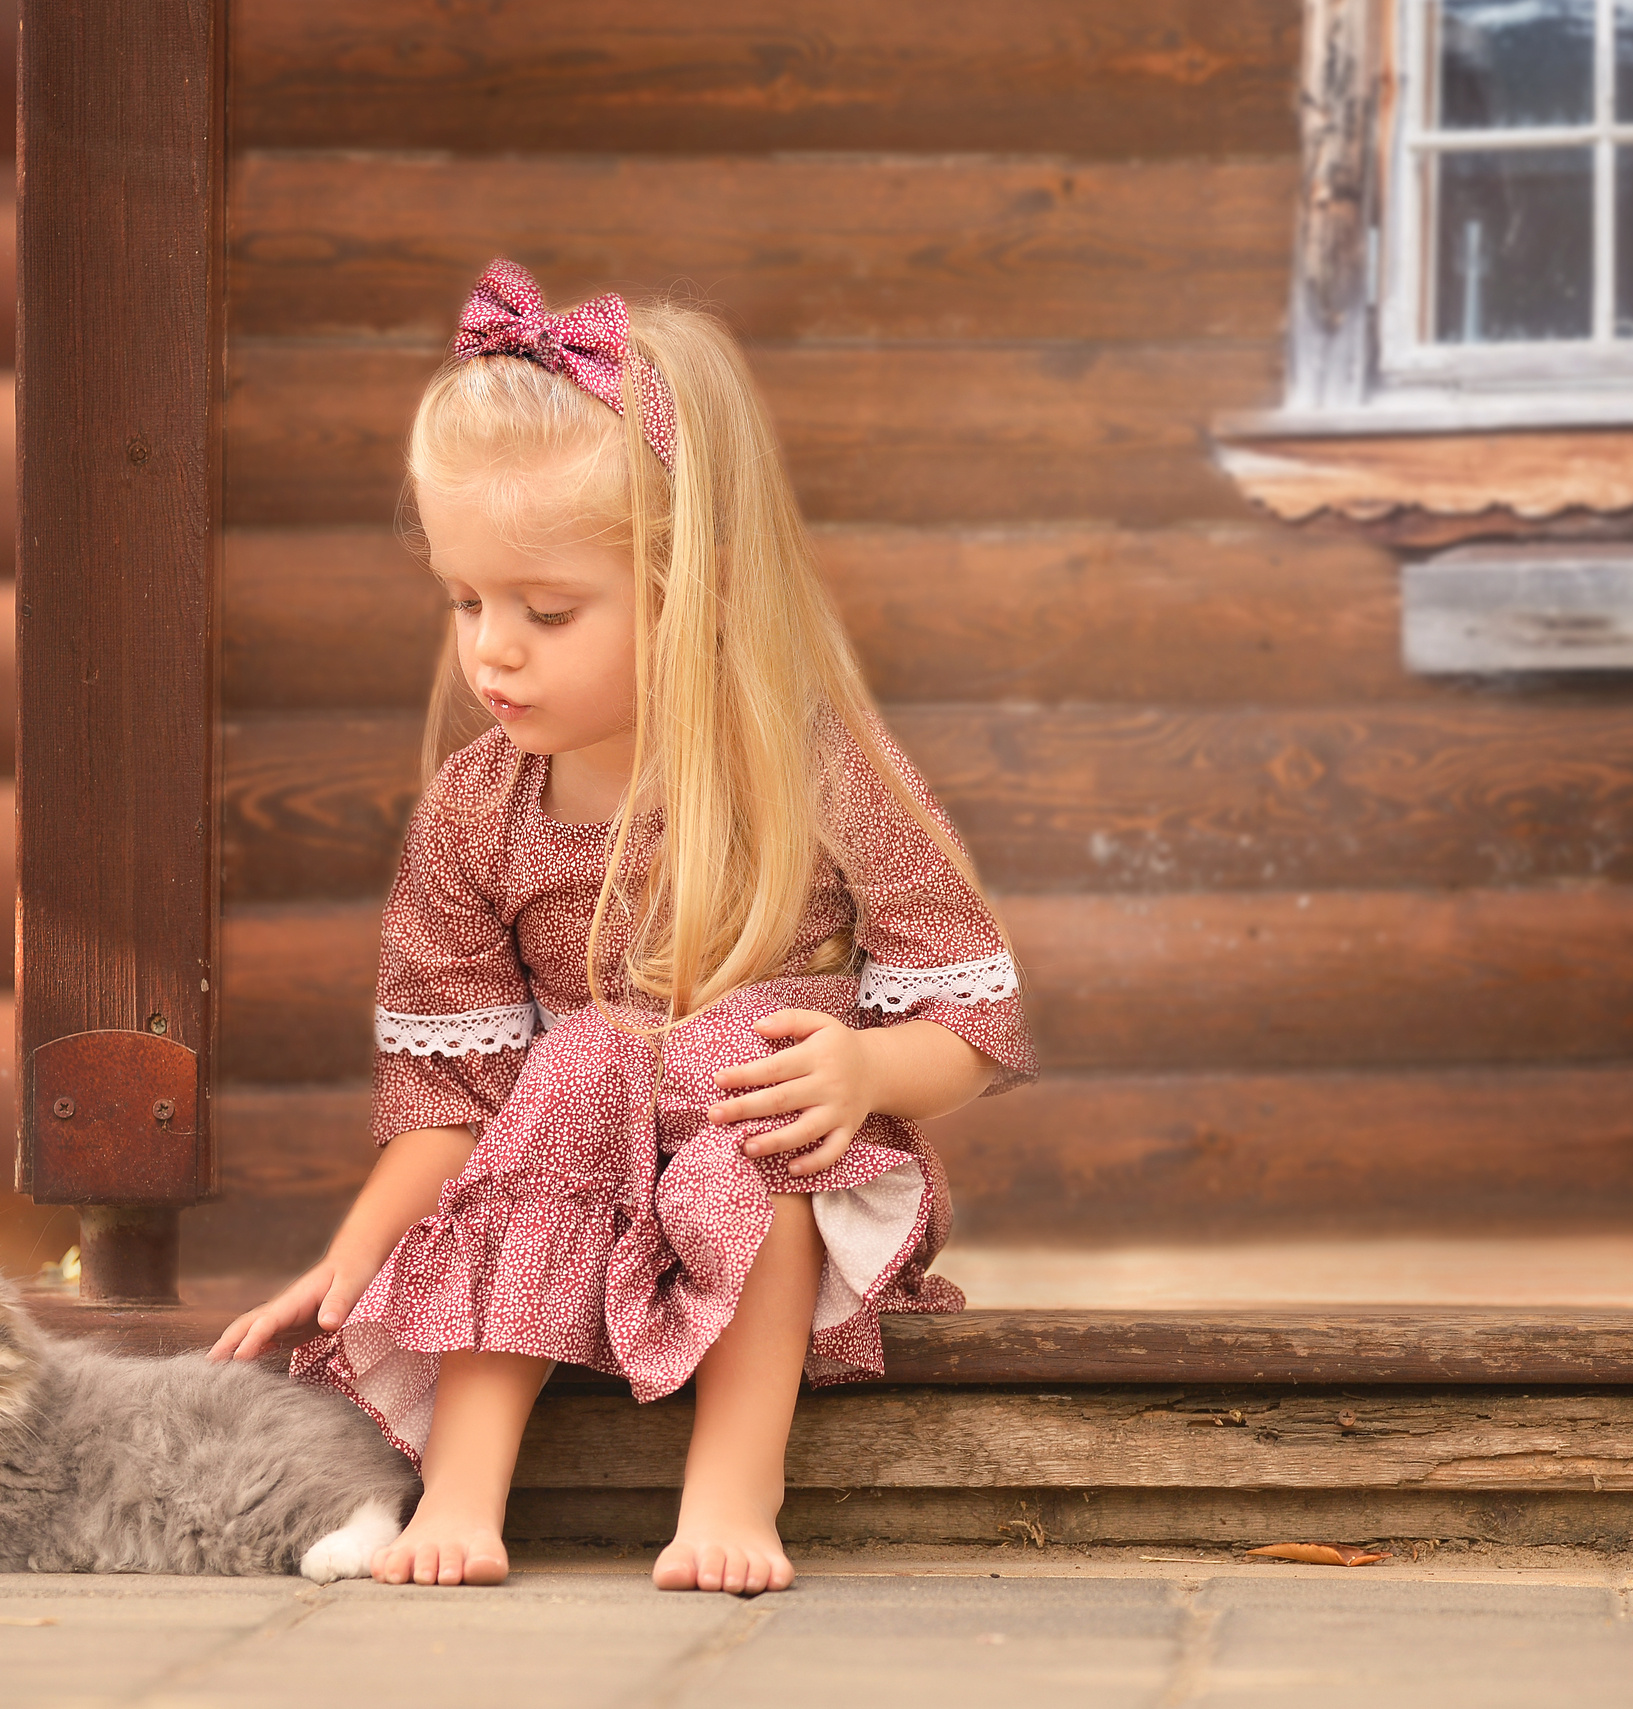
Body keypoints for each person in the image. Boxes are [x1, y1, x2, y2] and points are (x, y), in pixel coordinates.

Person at [210, 260, 1034, 1595]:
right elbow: (452, 1097)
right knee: (587, 1052)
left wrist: (871, 1071)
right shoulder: (476, 814)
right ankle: (463, 1487)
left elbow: (971, 1017)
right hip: (576, 1166)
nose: (493, 653)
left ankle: (733, 1478)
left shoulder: (813, 766)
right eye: (464, 601)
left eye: (546, 611)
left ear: (691, 586)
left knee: (722, 1052)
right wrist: (353, 1257)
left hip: (789, 1175)